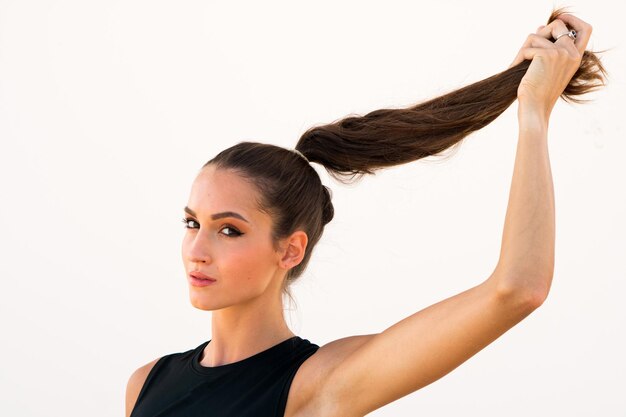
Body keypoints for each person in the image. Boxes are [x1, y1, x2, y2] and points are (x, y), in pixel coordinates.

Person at [126, 10, 605, 417]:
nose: (196, 250)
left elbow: (518, 289)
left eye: (228, 230)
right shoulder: (145, 384)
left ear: (290, 249)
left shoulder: (318, 384)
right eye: (192, 223)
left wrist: (533, 114)